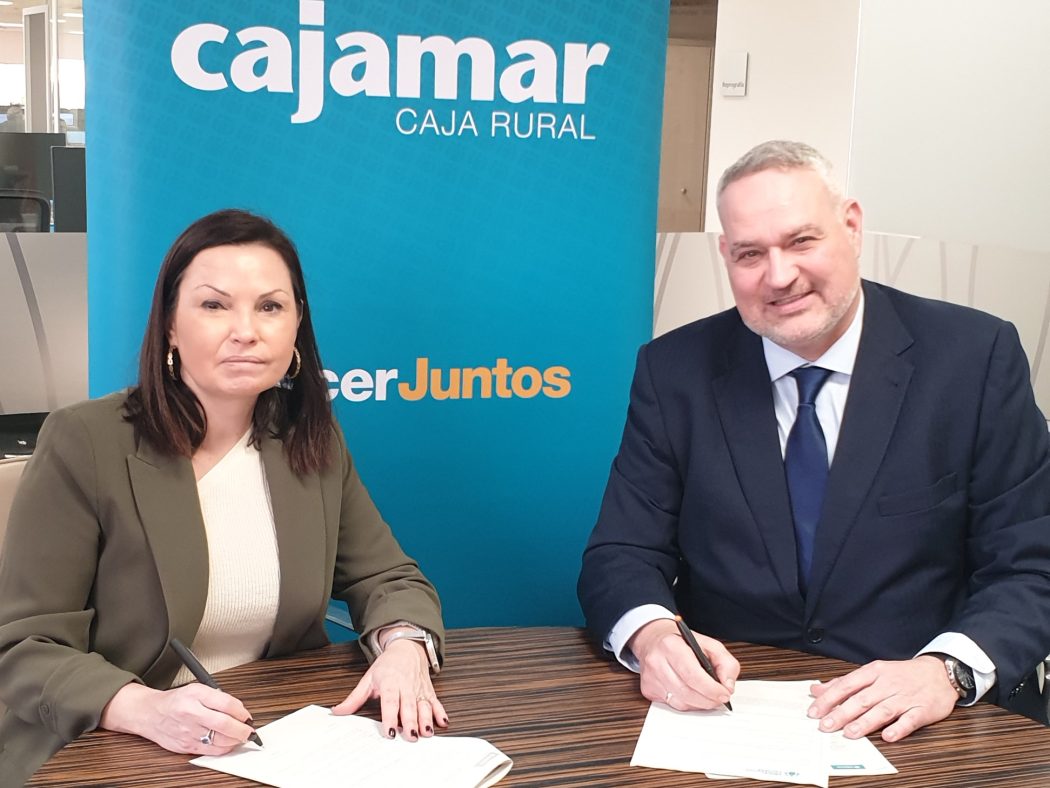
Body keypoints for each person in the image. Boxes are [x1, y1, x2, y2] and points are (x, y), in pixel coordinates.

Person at [578, 140, 1050, 742]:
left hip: (925, 720)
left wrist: (946, 671)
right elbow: (621, 553)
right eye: (750, 253)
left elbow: (1031, 564)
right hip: (729, 719)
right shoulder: (674, 370)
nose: (779, 276)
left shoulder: (972, 358)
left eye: (802, 241)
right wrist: (653, 637)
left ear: (851, 227)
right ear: (726, 256)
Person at [0, 209, 447, 783]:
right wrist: (144, 708)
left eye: (270, 307)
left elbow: (387, 577)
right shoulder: (85, 441)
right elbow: (24, 645)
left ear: (297, 325)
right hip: (104, 748)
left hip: (270, 741)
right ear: (169, 325)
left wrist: (404, 647)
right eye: (214, 305)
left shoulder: (308, 438)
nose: (246, 331)